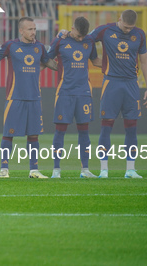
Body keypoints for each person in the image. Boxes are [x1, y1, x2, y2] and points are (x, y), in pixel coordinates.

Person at [0, 17, 57, 179]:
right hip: (15, 97)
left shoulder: (39, 47)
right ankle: (4, 168)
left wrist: (66, 65)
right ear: (21, 31)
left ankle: (34, 170)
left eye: (34, 29)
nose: (34, 32)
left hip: (34, 97)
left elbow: (50, 63)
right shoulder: (10, 46)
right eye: (30, 29)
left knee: (33, 135)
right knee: (8, 134)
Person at [91, 10, 147, 178]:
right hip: (111, 83)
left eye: (130, 27)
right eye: (125, 27)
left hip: (132, 84)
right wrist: (95, 59)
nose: (127, 30)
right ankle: (104, 169)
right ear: (119, 20)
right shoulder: (105, 30)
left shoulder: (139, 34)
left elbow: (145, 61)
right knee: (106, 126)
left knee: (132, 128)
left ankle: (130, 169)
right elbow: (85, 41)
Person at [47, 17, 102, 179]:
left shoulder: (89, 41)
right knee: (60, 130)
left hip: (84, 92)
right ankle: (56, 170)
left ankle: (85, 170)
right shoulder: (60, 41)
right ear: (72, 28)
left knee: (84, 131)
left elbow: (95, 60)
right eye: (78, 36)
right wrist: (58, 69)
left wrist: (114, 64)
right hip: (65, 92)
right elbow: (48, 58)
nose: (80, 39)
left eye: (82, 36)